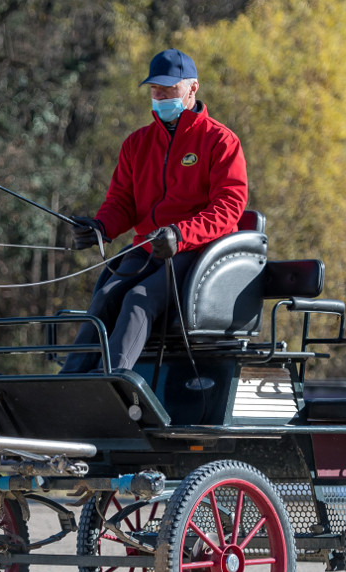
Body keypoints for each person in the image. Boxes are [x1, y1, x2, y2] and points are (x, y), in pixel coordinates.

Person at [61, 48, 247, 374]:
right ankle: (69, 383)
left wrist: (180, 234)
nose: (160, 96)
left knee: (139, 298)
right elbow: (122, 204)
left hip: (199, 252)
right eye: (155, 90)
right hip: (149, 247)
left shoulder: (220, 141)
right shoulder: (137, 144)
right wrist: (100, 227)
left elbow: (228, 207)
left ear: (192, 88)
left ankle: (113, 382)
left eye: (169, 89)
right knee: (105, 297)